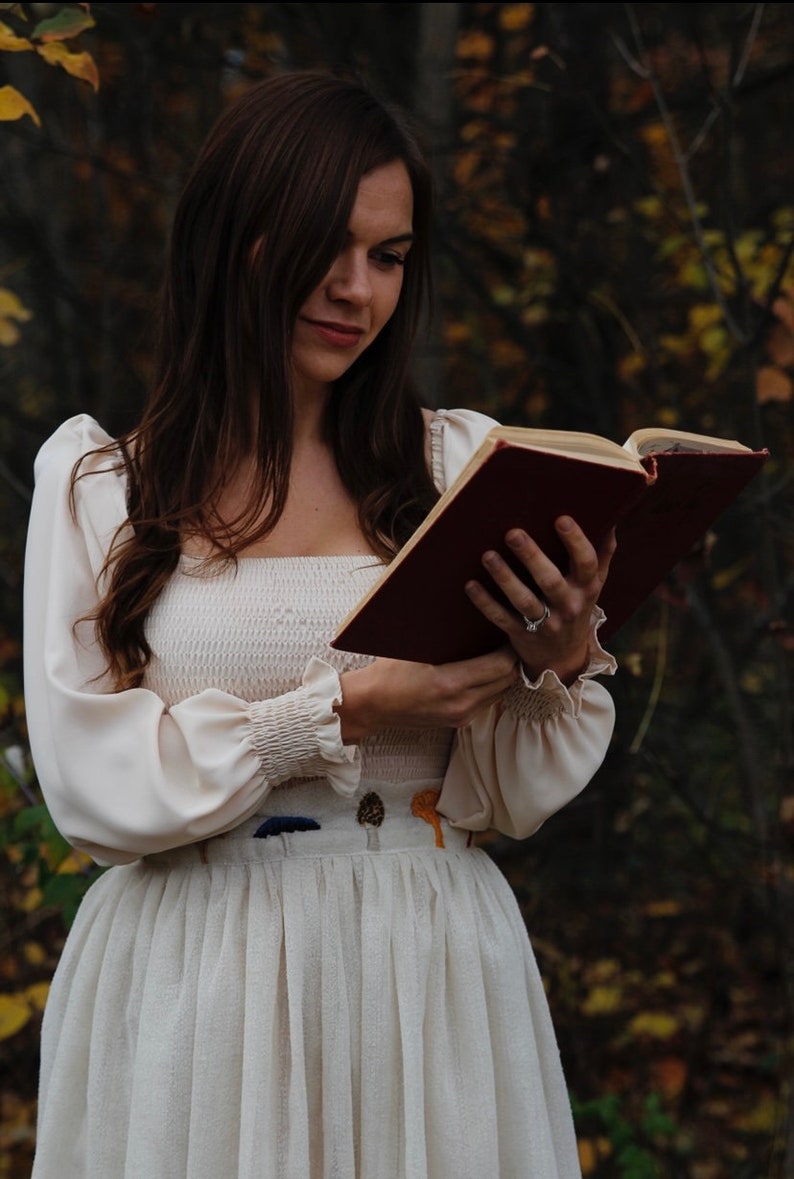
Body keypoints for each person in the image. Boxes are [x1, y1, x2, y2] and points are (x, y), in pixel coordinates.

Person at [23, 69, 617, 1179]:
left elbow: (522, 799)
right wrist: (334, 709)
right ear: (233, 238)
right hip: (195, 976)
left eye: (389, 257)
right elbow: (88, 791)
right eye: (324, 244)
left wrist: (556, 659)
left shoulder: (454, 466)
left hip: (428, 964)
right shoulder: (104, 487)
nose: (356, 289)